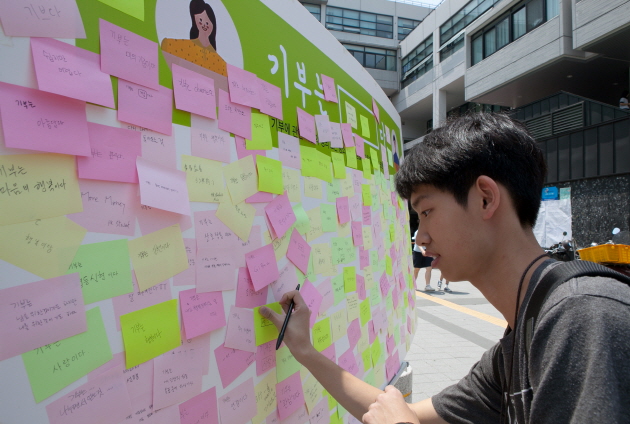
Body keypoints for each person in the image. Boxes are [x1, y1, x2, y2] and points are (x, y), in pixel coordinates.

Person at [260, 113, 630, 424]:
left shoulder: (584, 318)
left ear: (485, 198)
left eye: (426, 212)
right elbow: (398, 412)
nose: (420, 237)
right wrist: (304, 350)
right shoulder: (518, 341)